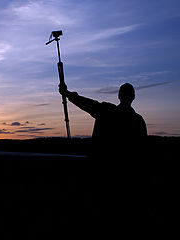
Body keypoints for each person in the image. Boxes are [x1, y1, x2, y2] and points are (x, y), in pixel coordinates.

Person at [59, 82, 148, 225]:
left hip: (101, 177)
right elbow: (142, 153)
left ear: (119, 96)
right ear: (133, 97)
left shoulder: (106, 111)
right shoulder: (138, 121)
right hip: (127, 182)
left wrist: (67, 94)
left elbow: (86, 103)